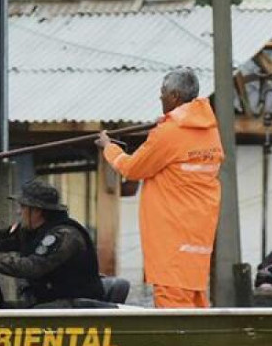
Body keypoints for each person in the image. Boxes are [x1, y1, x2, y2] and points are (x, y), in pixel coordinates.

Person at [95, 68, 223, 309]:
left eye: (163, 93)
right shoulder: (209, 131)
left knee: (174, 312)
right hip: (197, 239)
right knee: (196, 303)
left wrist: (108, 147)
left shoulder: (169, 133)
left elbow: (132, 168)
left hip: (171, 239)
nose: (160, 98)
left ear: (174, 96)